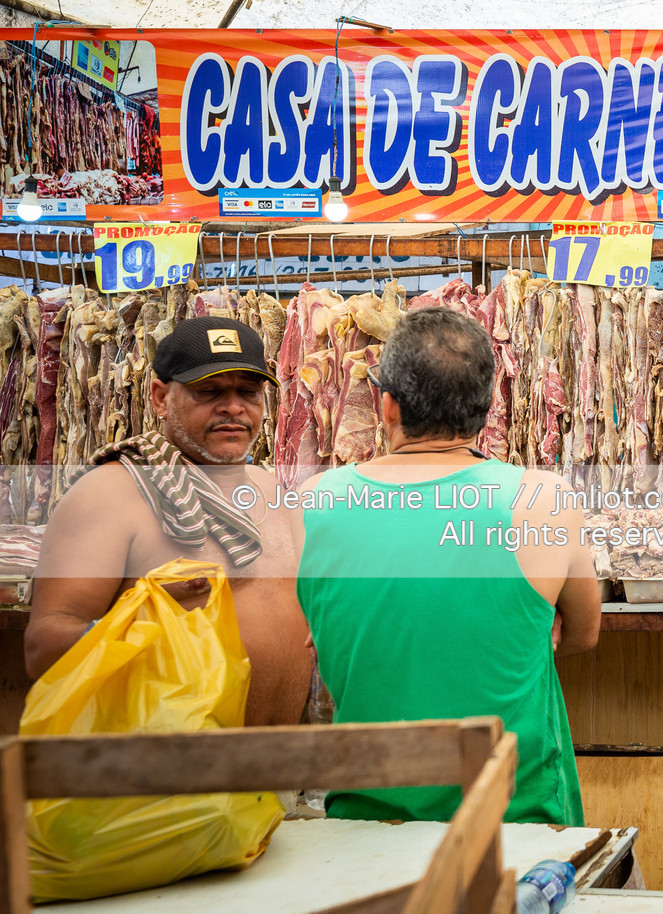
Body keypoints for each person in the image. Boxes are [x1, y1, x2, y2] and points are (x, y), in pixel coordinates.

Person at [296, 307, 601, 824]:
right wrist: (527, 627)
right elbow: (584, 633)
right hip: (518, 825)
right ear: (487, 407)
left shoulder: (313, 501)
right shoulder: (543, 499)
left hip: (365, 825)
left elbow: (331, 635)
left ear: (388, 406)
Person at [25, 318, 311, 725]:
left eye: (248, 392)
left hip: (283, 760)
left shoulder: (270, 490)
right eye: (209, 391)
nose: (233, 407)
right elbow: (41, 648)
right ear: (160, 398)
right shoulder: (110, 494)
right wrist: (139, 619)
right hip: (166, 763)